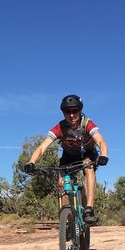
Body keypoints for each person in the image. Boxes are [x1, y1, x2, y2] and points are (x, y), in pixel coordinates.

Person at [24, 94, 109, 223]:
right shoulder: (60, 127)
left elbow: (101, 141)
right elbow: (42, 147)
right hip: (68, 156)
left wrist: (103, 155)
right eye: (67, 112)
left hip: (87, 153)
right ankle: (67, 219)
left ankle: (89, 209)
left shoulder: (87, 124)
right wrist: (31, 162)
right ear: (63, 113)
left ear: (80, 111)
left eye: (75, 111)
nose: (71, 115)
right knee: (62, 182)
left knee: (89, 167)